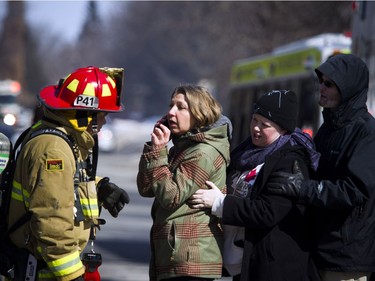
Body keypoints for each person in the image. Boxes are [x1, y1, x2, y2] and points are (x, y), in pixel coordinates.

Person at [7, 66, 130, 280]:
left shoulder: (56, 138)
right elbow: (52, 221)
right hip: (44, 271)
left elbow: (59, 186)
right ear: (84, 114)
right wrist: (72, 275)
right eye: (103, 114)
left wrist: (98, 186)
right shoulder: (54, 150)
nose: (105, 121)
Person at [188, 90, 321, 281]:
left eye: (265, 124)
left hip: (274, 267)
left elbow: (267, 211)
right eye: (254, 120)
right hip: (247, 262)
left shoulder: (291, 162)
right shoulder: (246, 151)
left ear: (283, 129)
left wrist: (220, 203)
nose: (256, 128)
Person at [266, 54, 375, 281]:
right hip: (317, 249)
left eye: (329, 84)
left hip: (346, 257)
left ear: (348, 88)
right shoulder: (329, 127)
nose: (321, 88)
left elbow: (352, 190)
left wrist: (302, 188)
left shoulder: (366, 132)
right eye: (320, 81)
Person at [137, 85, 231, 281]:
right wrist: (153, 150)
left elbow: (171, 196)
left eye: (180, 107)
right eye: (171, 105)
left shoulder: (203, 152)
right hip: (175, 256)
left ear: (199, 113)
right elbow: (146, 188)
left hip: (191, 260)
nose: (171, 112)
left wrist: (158, 153)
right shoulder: (183, 148)